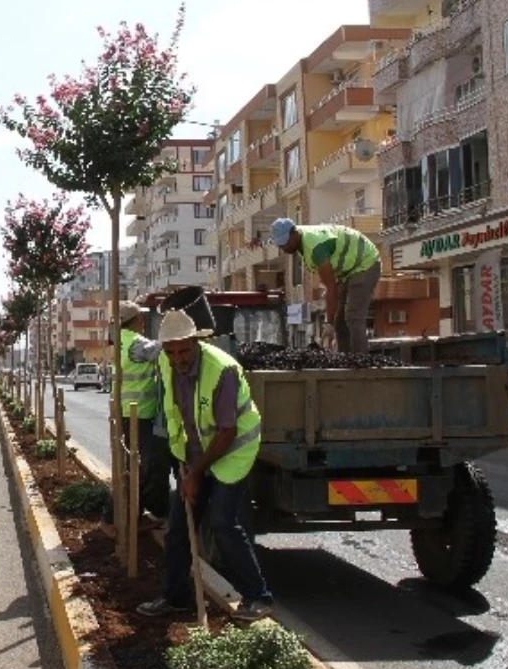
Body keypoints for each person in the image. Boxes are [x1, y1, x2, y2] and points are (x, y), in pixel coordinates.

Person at [137, 309, 273, 622]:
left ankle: (258, 597)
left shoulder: (221, 370)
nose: (178, 358)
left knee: (223, 523)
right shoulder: (166, 362)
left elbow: (227, 431)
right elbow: (179, 415)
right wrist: (185, 466)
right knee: (178, 527)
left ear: (195, 342)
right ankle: (176, 597)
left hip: (231, 452)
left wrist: (196, 474)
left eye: (183, 350)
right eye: (170, 351)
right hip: (195, 455)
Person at [101, 301, 170, 536]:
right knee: (137, 469)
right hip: (137, 414)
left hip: (125, 411)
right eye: (142, 318)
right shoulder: (135, 343)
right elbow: (162, 350)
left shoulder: (118, 340)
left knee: (132, 467)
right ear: (138, 320)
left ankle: (131, 516)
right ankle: (113, 519)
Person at [271, 217, 381, 354]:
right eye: (280, 245)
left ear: (294, 234)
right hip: (348, 272)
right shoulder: (302, 241)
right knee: (340, 321)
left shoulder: (316, 248)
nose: (284, 248)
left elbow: (332, 288)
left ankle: (362, 363)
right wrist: (332, 320)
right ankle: (345, 359)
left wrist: (328, 324)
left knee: (353, 316)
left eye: (285, 243)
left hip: (366, 263)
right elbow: (331, 286)